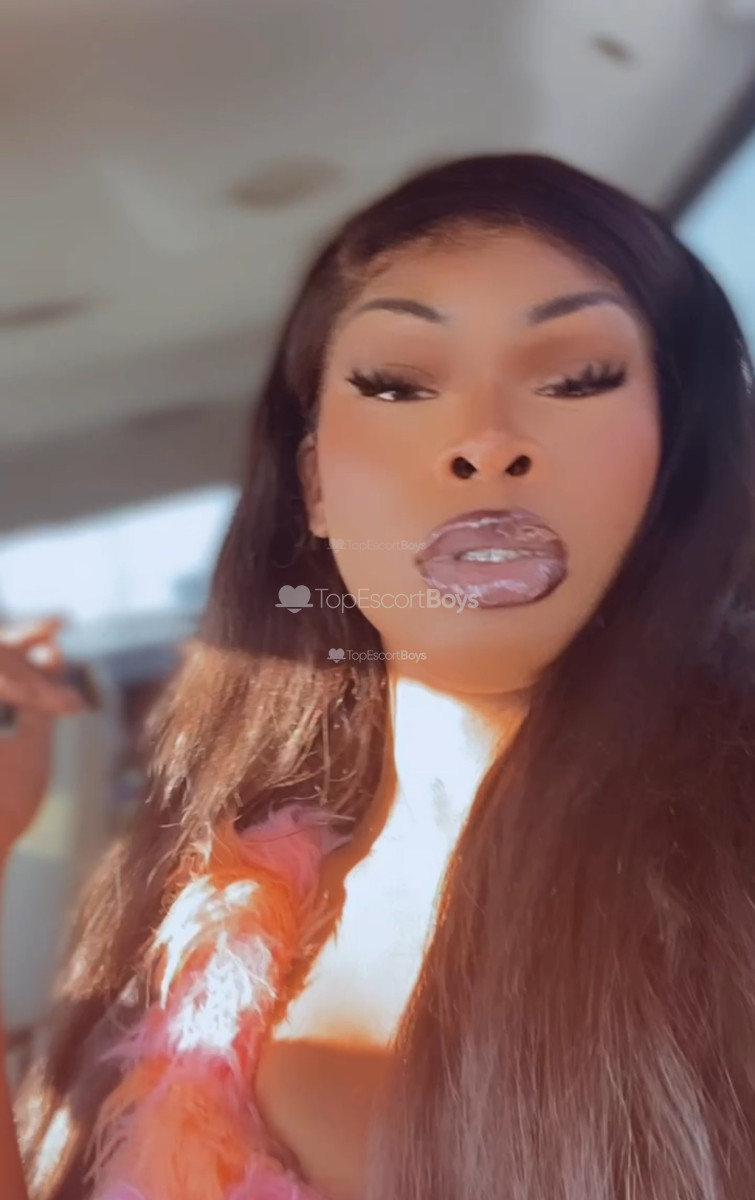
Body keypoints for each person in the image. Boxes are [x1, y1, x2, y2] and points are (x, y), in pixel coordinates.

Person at [2, 152, 755, 1200]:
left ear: (670, 457)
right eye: (399, 384)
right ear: (314, 485)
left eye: (577, 377)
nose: (486, 443)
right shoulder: (200, 916)